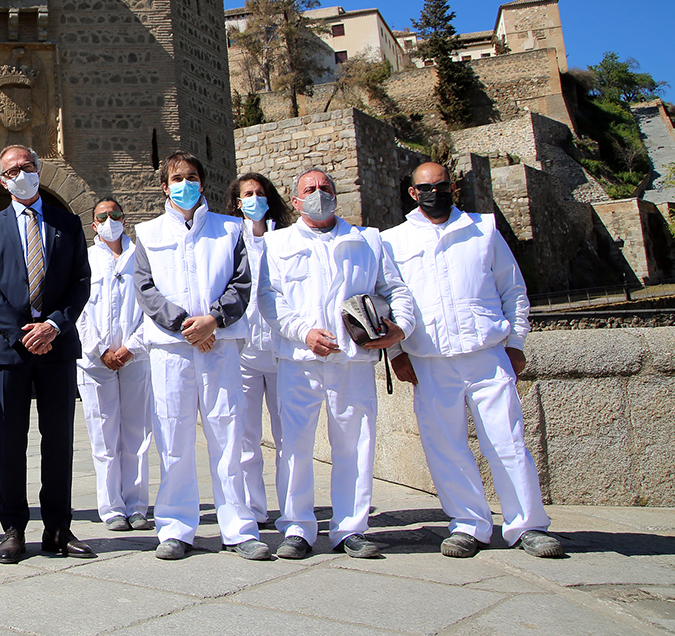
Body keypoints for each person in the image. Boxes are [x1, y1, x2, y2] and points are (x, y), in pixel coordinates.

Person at [381, 162, 564, 559]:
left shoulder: (484, 230)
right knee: (444, 445)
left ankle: (527, 526)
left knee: (508, 441)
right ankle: (468, 524)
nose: (434, 192)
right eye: (425, 187)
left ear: (453, 188)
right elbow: (389, 302)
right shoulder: (393, 241)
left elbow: (513, 289)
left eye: (441, 185)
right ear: (413, 193)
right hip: (430, 360)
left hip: (486, 355)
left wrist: (515, 343)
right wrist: (396, 352)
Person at [259, 167, 414, 560]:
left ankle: (351, 528)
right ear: (295, 202)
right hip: (300, 360)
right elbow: (269, 298)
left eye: (324, 187)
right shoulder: (276, 244)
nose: (318, 193)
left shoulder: (367, 240)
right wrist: (302, 332)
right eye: (309, 189)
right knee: (294, 446)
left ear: (336, 194)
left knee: (355, 445)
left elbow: (394, 289)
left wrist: (402, 329)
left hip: (353, 360)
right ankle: (297, 527)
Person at [133, 153, 265, 561]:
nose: (184, 183)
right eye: (177, 178)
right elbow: (145, 287)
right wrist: (185, 326)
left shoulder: (231, 229)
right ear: (164, 186)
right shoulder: (147, 233)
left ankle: (239, 528)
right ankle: (176, 527)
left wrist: (213, 321)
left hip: (220, 344)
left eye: (192, 177)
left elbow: (242, 282)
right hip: (172, 349)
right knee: (173, 437)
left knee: (228, 434)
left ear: (203, 183)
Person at [0, 144, 94, 563]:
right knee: (10, 440)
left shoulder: (68, 223)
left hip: (57, 345)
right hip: (8, 350)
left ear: (39, 170)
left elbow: (81, 281)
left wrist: (54, 325)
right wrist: (21, 334)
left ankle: (58, 527)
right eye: (11, 170)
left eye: (27, 166)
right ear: (1, 179)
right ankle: (12, 528)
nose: (20, 173)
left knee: (58, 439)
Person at [77, 197, 153, 533]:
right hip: (95, 361)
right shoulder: (85, 258)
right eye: (102, 216)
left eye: (115, 214)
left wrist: (131, 347)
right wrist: (98, 349)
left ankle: (137, 505)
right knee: (104, 435)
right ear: (94, 224)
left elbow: (155, 304)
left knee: (137, 433)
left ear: (125, 218)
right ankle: (111, 508)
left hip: (136, 357)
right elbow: (76, 308)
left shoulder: (142, 256)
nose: (110, 220)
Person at [225, 172, 293, 529]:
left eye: (259, 193)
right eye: (247, 194)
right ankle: (254, 508)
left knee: (288, 436)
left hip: (283, 351)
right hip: (245, 351)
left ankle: (294, 508)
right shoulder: (230, 240)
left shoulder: (286, 240)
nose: (254, 198)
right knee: (247, 435)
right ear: (237, 202)